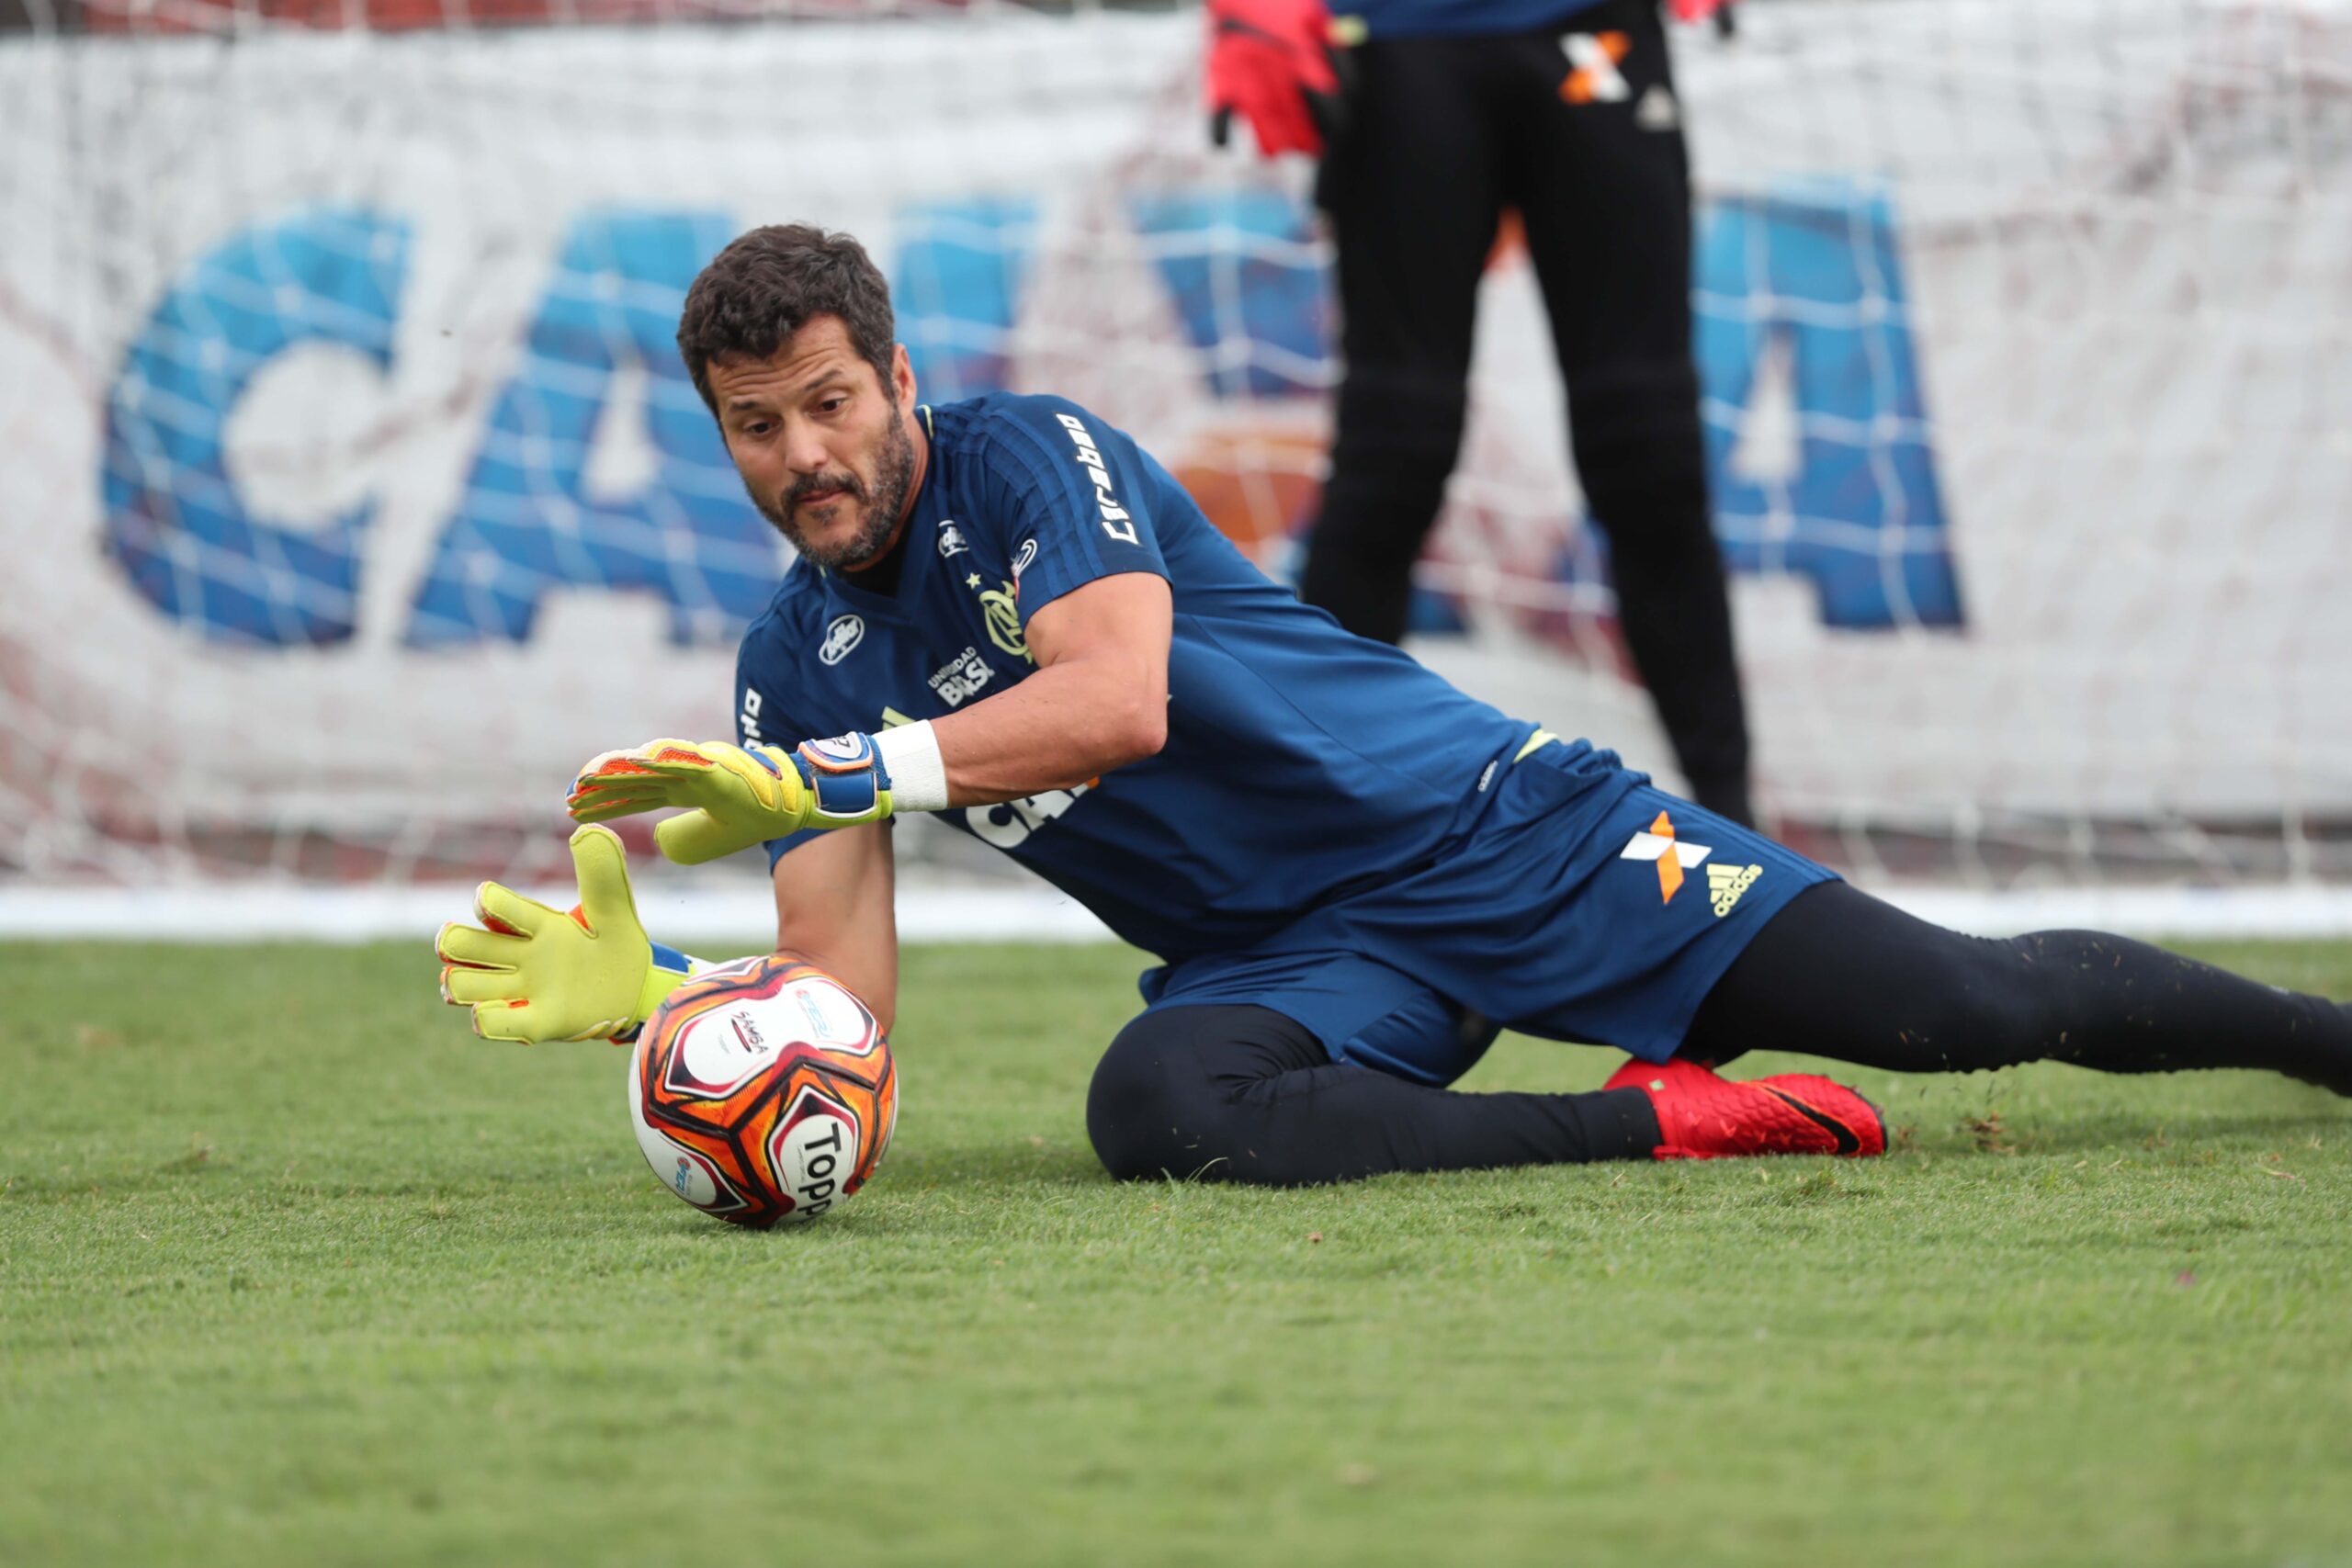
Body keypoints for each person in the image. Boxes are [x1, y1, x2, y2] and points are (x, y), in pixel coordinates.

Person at [435, 225, 2350, 1187]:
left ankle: (2328, 1040)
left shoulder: (1029, 460)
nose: (803, 455)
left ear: (899, 380)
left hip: (1512, 832)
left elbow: (1113, 704)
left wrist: (823, 775)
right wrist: (690, 998)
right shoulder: (789, 665)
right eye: (754, 428)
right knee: (1158, 1105)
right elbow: (843, 1015)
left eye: (829, 403)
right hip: (1301, 952)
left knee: (1970, 1004)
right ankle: (1670, 1123)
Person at [1204, 0, 1755, 824]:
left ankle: (1745, 839)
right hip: (1397, 40)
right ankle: (1307, 828)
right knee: (1394, 456)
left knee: (1651, 457)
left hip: (1589, 27)